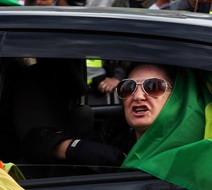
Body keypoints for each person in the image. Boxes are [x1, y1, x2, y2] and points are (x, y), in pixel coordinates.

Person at [23, 64, 174, 167]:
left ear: (175, 97)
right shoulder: (115, 133)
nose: (138, 96)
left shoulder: (185, 150)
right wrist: (78, 149)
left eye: (153, 87)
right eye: (128, 87)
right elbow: (35, 140)